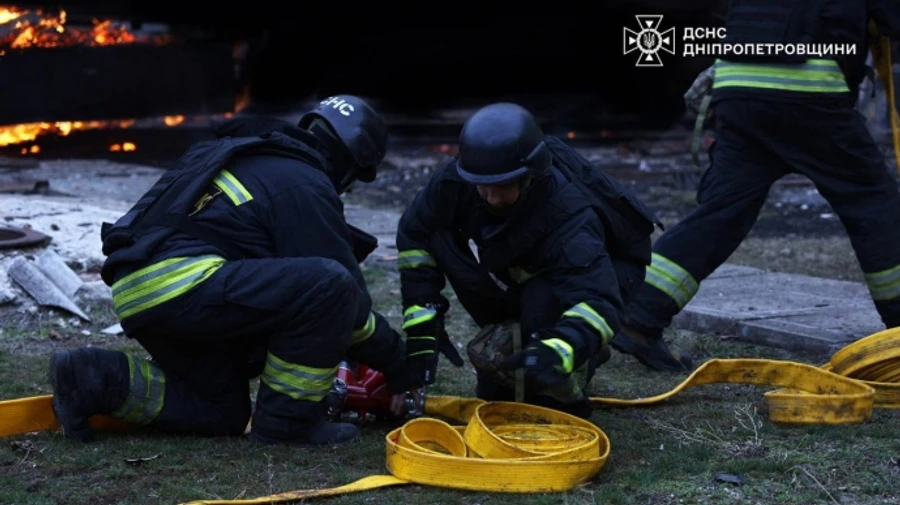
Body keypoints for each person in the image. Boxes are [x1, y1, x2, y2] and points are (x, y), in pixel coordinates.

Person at [48, 95, 410, 446]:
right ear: (349, 163)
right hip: (185, 283)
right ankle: (288, 424)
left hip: (139, 289)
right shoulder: (304, 179)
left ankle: (89, 378)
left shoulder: (255, 157)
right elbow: (350, 308)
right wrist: (398, 363)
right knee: (331, 285)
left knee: (221, 411)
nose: (344, 190)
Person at [618, 0, 900, 366]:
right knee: (873, 205)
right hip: (809, 92)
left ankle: (640, 315)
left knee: (722, 213)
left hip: (738, 90)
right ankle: (898, 327)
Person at [394, 102, 682, 418]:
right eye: (483, 187)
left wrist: (562, 347)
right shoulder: (460, 179)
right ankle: (523, 340)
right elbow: (416, 236)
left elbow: (599, 301)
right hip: (521, 260)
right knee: (499, 391)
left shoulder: (568, 217)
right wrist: (423, 332)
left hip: (605, 274)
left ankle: (570, 382)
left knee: (540, 379)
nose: (491, 198)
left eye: (502, 187)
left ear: (529, 176)